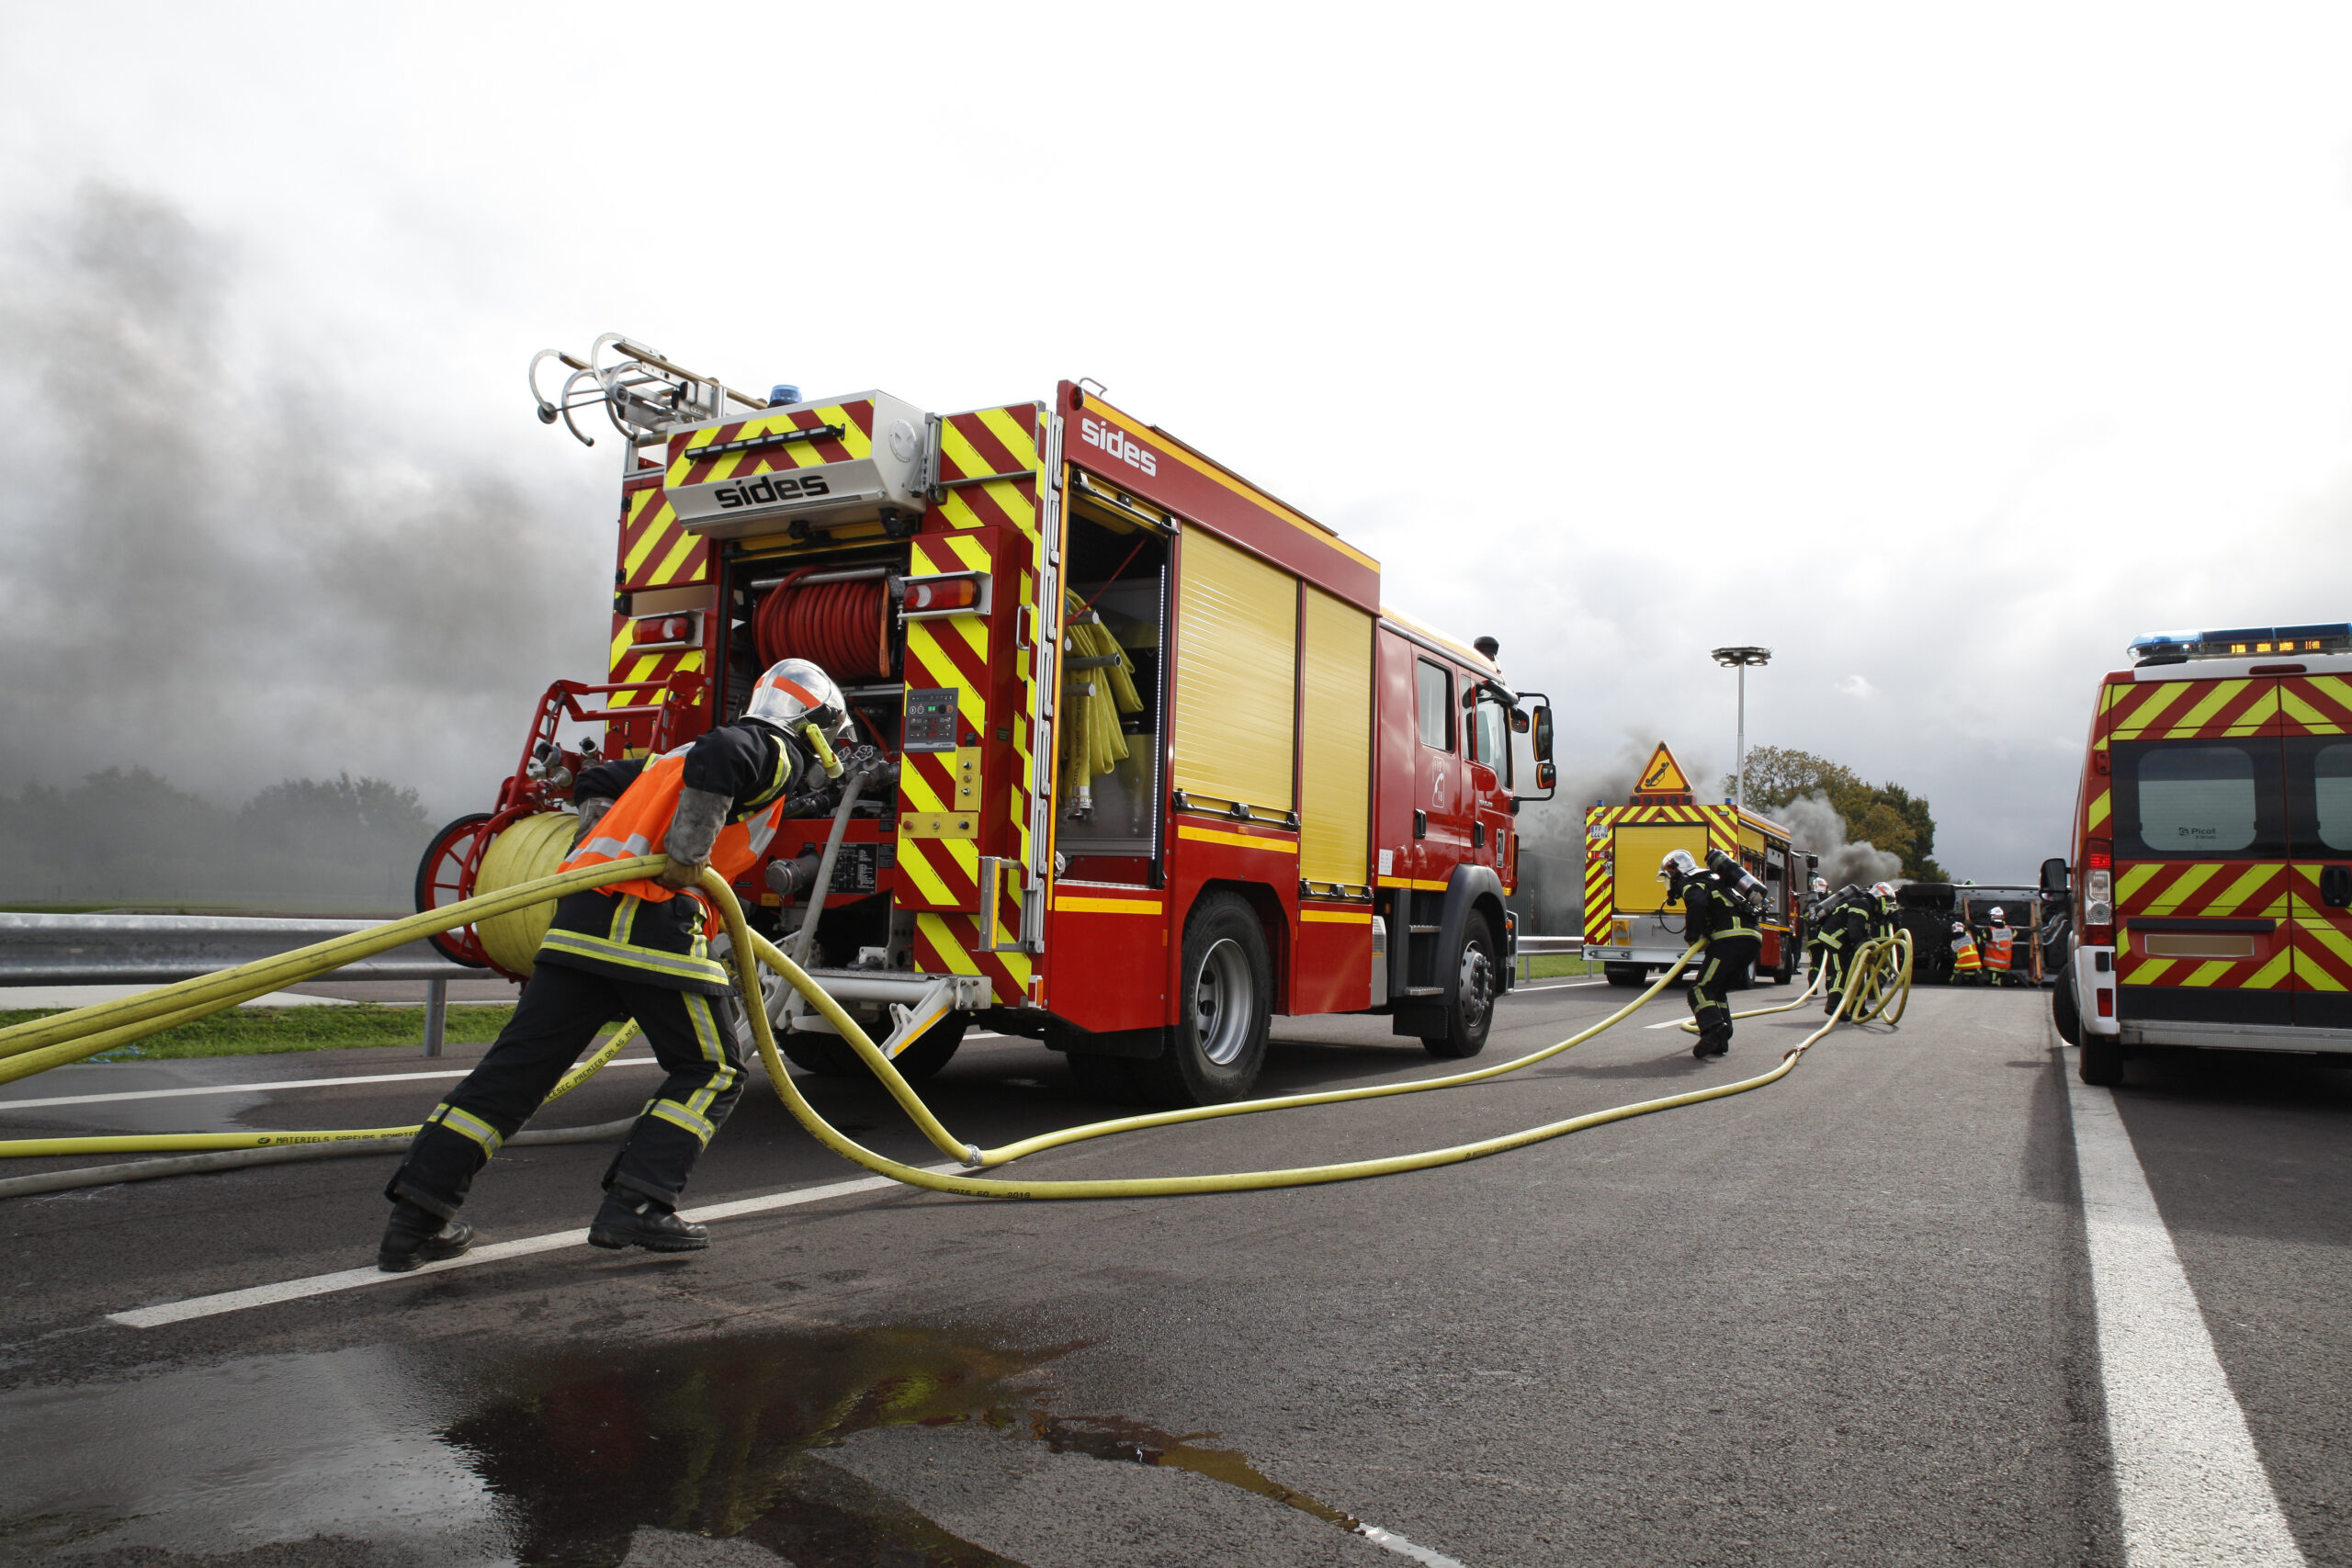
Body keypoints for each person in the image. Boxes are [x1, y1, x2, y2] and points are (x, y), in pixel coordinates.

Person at [376, 659, 858, 1272]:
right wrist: (688, 852)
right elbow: (724, 756)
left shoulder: (668, 758)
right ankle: (640, 1201)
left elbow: (599, 776)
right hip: (650, 920)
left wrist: (598, 843)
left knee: (512, 1077)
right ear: (811, 720)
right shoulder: (773, 747)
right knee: (713, 1068)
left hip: (580, 920)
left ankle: (415, 1221)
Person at [1661, 848, 1762, 1059]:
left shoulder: (1691, 883)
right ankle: (1720, 1041)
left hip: (1730, 939)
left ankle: (1714, 1029)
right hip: (1751, 939)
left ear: (1676, 872)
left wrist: (1693, 936)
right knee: (1717, 990)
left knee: (1699, 990)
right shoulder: (1715, 879)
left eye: (1669, 876)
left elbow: (1697, 905)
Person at [1981, 907, 2016, 987]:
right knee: (1998, 980)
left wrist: (1971, 927)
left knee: (1994, 982)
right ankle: (2010, 979)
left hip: (1993, 965)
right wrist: (2031, 930)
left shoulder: (1990, 930)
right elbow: (2019, 935)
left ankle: (2007, 980)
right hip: (2005, 965)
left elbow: (1982, 934)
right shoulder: (2009, 929)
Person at [1949, 919, 1983, 983]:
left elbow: (1954, 953)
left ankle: (1955, 978)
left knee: (1956, 966)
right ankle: (1976, 974)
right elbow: (1979, 942)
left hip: (1962, 965)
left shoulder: (1953, 943)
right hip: (1976, 963)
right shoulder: (1970, 935)